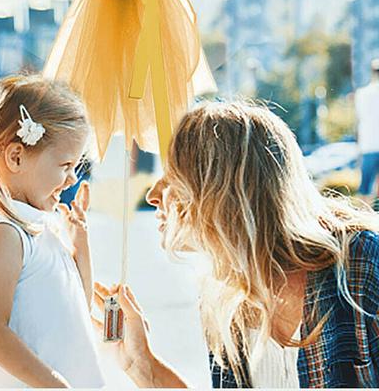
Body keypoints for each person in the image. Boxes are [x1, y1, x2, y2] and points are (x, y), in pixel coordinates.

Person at [95, 100, 379, 389]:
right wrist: (142, 366)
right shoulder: (226, 299)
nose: (154, 194)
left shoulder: (361, 264)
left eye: (172, 177)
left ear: (224, 190)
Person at [0, 75, 104, 388]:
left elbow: (78, 310)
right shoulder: (5, 234)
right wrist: (56, 385)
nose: (71, 179)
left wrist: (80, 247)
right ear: (17, 157)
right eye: (64, 165)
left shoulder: (42, 228)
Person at [355, 58, 379, 204]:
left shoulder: (362, 94)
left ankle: (365, 219)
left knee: (365, 190)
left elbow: (360, 117)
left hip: (368, 145)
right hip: (370, 144)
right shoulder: (363, 93)